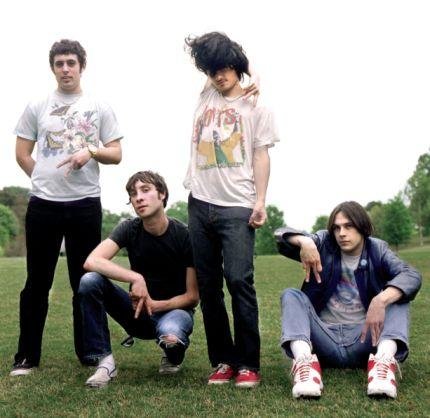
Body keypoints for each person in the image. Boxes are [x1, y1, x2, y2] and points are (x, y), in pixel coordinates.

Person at [11, 39, 123, 376]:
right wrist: (46, 180)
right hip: (43, 205)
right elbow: (22, 154)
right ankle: (27, 356)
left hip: (85, 204)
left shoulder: (99, 106)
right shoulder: (37, 106)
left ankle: (89, 352)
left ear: (81, 66)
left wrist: (91, 150)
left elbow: (116, 153)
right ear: (52, 68)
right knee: (37, 282)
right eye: (59, 63)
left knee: (84, 281)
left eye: (71, 63)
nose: (65, 69)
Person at [184, 32, 279, 388]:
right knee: (208, 286)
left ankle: (249, 363)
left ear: (236, 65)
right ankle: (223, 360)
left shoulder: (257, 107)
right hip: (199, 202)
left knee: (239, 280)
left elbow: (261, 155)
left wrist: (260, 200)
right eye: (212, 70)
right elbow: (207, 50)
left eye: (224, 68)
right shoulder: (207, 93)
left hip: (237, 205)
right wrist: (249, 71)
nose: (218, 76)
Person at [275, 201, 422, 398]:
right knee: (291, 295)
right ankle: (305, 365)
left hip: (365, 339)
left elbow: (411, 275)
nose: (341, 233)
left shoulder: (377, 249)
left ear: (362, 227)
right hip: (323, 339)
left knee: (398, 294)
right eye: (337, 228)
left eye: (348, 226)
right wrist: (306, 242)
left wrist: (381, 299)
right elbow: (281, 236)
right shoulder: (324, 244)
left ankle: (383, 364)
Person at [78, 171, 199, 388]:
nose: (139, 198)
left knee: (171, 337)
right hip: (137, 313)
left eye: (145, 190)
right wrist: (136, 278)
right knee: (90, 281)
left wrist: (156, 305)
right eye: (133, 194)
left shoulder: (185, 235)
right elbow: (92, 261)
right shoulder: (128, 228)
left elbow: (192, 297)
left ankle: (173, 356)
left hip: (175, 312)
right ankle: (105, 363)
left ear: (162, 194)